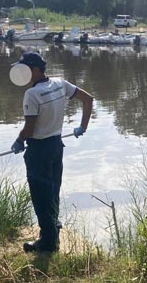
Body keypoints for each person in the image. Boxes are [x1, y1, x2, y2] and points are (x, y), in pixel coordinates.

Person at [10, 51, 94, 253]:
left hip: (39, 151)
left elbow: (29, 129)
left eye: (25, 70)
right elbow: (88, 99)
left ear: (36, 70)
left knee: (40, 195)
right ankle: (52, 229)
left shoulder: (32, 94)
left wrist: (19, 140)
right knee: (52, 191)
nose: (22, 74)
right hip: (56, 147)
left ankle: (48, 243)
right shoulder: (59, 84)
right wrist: (83, 127)